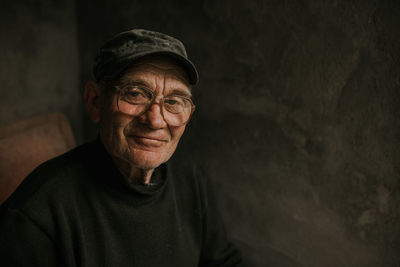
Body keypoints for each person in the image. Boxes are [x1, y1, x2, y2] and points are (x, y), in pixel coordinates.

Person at [0, 29, 243, 266]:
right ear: (95, 102)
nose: (156, 120)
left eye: (173, 102)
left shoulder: (189, 179)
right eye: (135, 94)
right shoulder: (34, 215)